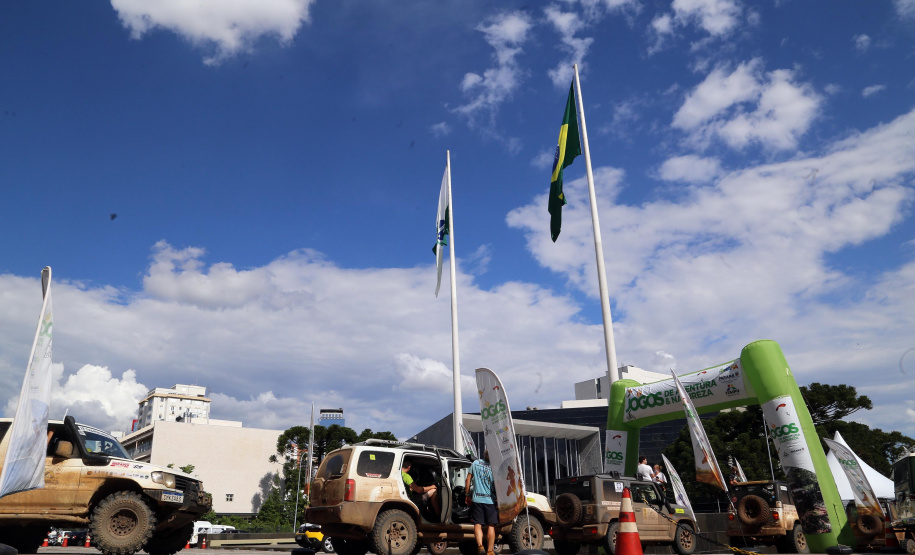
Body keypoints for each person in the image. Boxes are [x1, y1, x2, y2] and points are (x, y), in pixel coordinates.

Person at [465, 450, 498, 555]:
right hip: (490, 500)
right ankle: (490, 550)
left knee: (477, 524)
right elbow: (497, 485)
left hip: (477, 499)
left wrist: (467, 495)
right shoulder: (494, 468)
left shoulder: (475, 463)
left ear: (484, 454)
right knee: (491, 525)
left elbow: (468, 479)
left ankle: (480, 546)